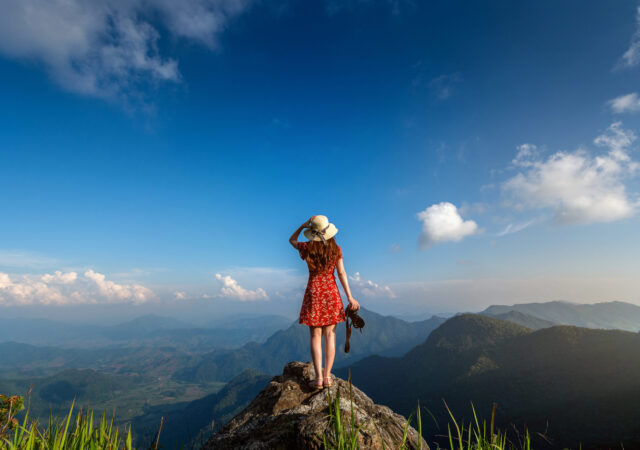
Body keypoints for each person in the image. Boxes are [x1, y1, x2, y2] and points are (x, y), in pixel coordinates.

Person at [289, 215, 360, 390]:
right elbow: (342, 273)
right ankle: (327, 377)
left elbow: (291, 240)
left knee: (315, 336)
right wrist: (350, 297)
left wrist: (301, 226)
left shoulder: (307, 248)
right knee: (330, 335)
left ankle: (319, 378)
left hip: (314, 291)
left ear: (312, 232)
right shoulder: (336, 249)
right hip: (331, 291)